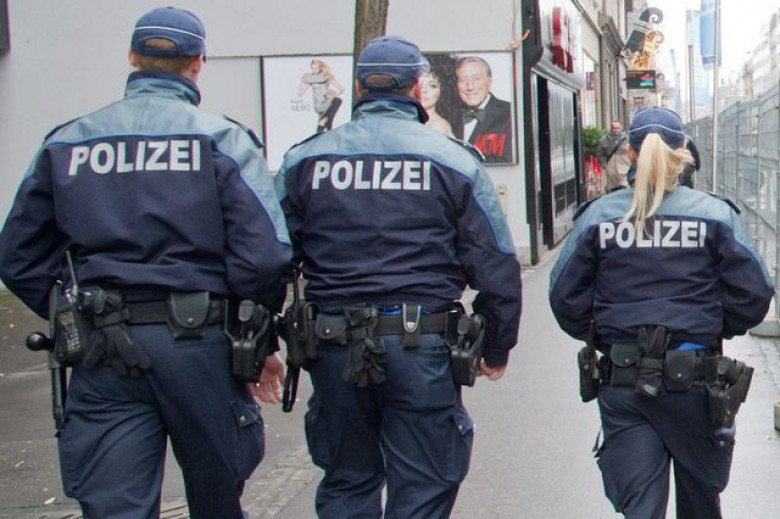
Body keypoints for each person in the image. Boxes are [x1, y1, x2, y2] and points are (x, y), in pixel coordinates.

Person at [0, 7, 292, 518]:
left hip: (102, 347)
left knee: (114, 506)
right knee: (217, 500)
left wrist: (70, 312)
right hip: (201, 346)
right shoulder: (223, 139)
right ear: (199, 62)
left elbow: (18, 256)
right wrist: (256, 340)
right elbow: (265, 257)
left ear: (131, 57)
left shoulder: (69, 140)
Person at [275, 35, 522, 518]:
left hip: (333, 344)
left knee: (348, 480)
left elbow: (271, 254)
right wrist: (497, 343)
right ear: (415, 89)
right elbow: (495, 261)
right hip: (421, 347)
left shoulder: (305, 160)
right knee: (425, 481)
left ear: (359, 88)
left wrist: (262, 342)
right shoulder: (453, 160)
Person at [549, 107, 774, 518]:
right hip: (697, 384)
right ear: (684, 149)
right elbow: (755, 294)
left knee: (640, 509)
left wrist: (605, 335)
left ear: (631, 153)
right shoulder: (715, 215)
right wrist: (712, 325)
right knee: (701, 505)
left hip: (624, 380)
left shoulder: (599, 216)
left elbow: (565, 297)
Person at [455, 56, 513, 163]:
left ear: (489, 83)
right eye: (463, 80)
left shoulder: (511, 114)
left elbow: (509, 163)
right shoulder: (451, 117)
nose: (470, 87)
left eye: (476, 79)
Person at [298, 58, 345, 133]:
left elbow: (341, 89)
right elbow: (300, 94)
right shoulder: (311, 78)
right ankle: (325, 122)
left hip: (327, 102)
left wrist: (333, 94)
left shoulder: (326, 76)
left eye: (316, 68)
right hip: (318, 105)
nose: (314, 70)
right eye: (313, 68)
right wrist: (303, 83)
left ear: (320, 67)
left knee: (337, 100)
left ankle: (324, 124)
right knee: (335, 103)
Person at [420, 53, 461, 137]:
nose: (423, 90)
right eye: (418, 84)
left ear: (442, 90)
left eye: (432, 86)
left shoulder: (438, 127)